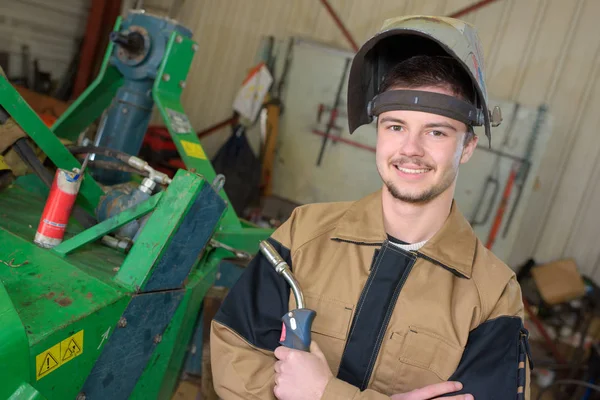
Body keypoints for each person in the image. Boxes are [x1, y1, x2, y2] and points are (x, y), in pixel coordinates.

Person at [210, 15, 532, 400]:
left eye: (436, 132)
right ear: (378, 134)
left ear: (467, 148)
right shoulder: (304, 234)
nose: (410, 149)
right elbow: (236, 355)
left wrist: (323, 393)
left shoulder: (492, 296)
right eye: (395, 126)